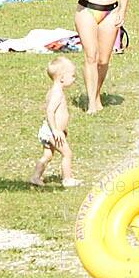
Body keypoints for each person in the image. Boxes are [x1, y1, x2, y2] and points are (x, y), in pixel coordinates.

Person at [30, 56, 80, 187]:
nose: (74, 79)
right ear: (62, 78)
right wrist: (56, 130)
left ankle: (35, 177)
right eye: (72, 76)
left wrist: (62, 129)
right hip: (52, 132)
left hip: (49, 130)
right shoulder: (57, 93)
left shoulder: (53, 91)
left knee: (47, 156)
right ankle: (67, 179)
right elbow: (50, 112)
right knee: (67, 154)